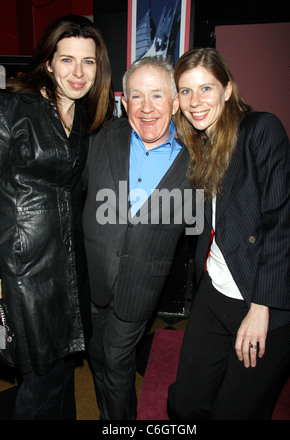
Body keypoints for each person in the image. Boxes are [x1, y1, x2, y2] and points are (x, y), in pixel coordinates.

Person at [167, 47, 290, 420]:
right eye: (186, 91)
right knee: (186, 402)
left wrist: (262, 308)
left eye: (206, 88)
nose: (195, 102)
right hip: (215, 291)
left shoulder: (261, 129)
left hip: (263, 299)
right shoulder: (200, 142)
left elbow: (279, 223)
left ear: (228, 89)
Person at [0, 15, 114, 420]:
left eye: (88, 62)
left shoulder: (83, 118)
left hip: (68, 264)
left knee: (63, 374)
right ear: (48, 63)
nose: (78, 73)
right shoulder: (12, 108)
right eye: (67, 60)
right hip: (24, 270)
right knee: (40, 382)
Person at [82, 56, 199, 420]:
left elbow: (216, 225)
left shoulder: (198, 160)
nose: (146, 108)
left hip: (140, 288)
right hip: (92, 277)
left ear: (175, 102)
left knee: (117, 362)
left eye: (157, 96)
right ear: (123, 101)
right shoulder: (100, 138)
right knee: (97, 357)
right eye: (136, 96)